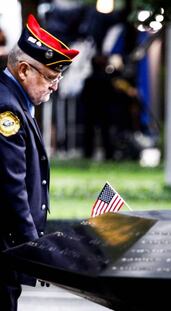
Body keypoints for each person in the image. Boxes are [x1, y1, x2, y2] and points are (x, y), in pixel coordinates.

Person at [0, 14, 78, 310]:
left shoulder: (15, 103)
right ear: (23, 70)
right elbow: (12, 188)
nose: (54, 87)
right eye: (50, 77)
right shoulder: (7, 110)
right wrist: (35, 250)